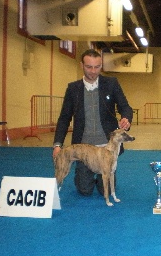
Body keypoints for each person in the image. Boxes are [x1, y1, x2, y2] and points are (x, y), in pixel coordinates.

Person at [52, 49, 133, 196]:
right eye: (89, 67)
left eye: (97, 67)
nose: (93, 71)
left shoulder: (111, 83)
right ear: (81, 65)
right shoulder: (73, 88)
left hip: (106, 146)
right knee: (84, 190)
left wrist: (126, 118)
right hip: (84, 148)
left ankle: (102, 177)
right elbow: (64, 118)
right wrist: (58, 145)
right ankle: (88, 174)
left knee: (104, 191)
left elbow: (125, 107)